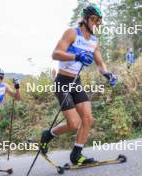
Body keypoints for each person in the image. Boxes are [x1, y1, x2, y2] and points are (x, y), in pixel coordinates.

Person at [40, 4, 117, 165]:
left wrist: (108, 74)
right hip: (62, 81)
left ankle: (76, 154)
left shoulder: (94, 41)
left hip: (76, 82)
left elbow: (100, 65)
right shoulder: (72, 33)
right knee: (73, 124)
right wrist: (77, 56)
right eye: (95, 20)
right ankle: (48, 135)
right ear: (85, 19)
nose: (97, 24)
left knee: (88, 119)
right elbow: (55, 54)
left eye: (99, 21)